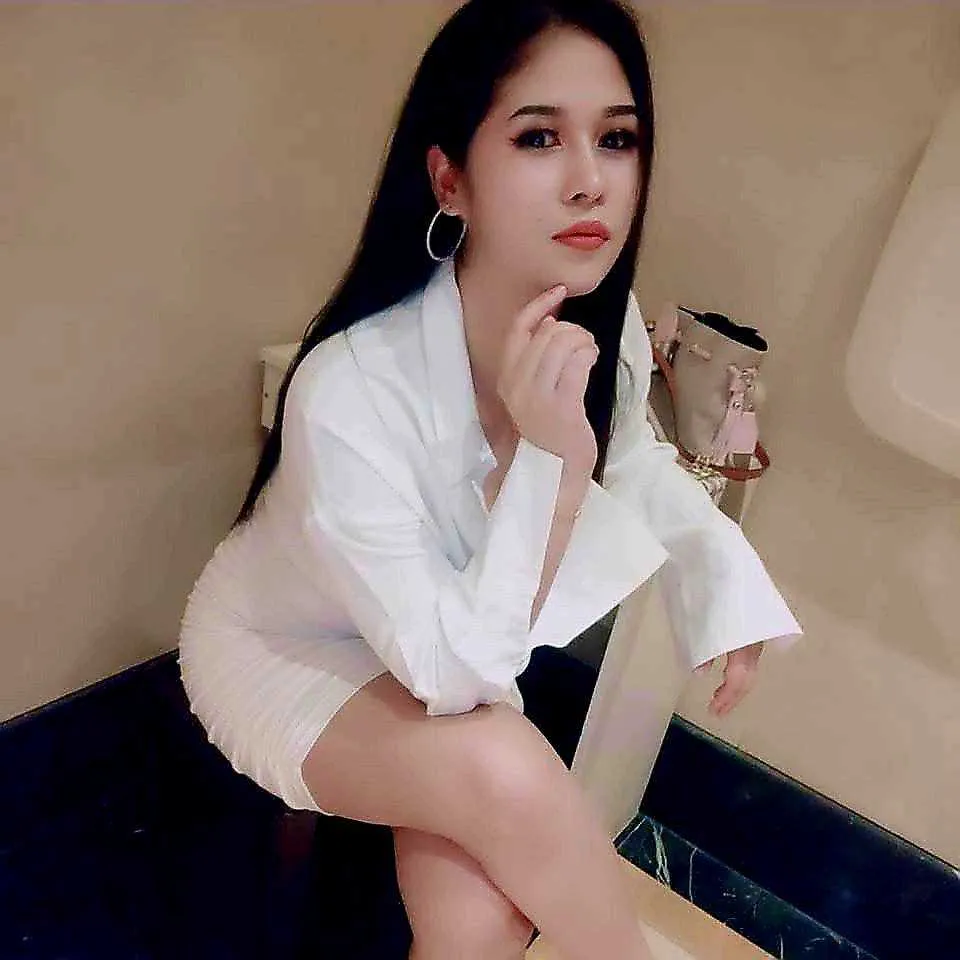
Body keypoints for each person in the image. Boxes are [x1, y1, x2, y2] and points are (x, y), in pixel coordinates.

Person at [178, 2, 803, 958]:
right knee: (506, 767)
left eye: (618, 138)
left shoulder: (607, 332)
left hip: (443, 641)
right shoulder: (350, 386)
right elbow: (455, 675)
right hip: (292, 651)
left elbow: (634, 462)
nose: (591, 180)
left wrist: (725, 588)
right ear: (450, 180)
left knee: (482, 920)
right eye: (539, 137)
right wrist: (551, 462)